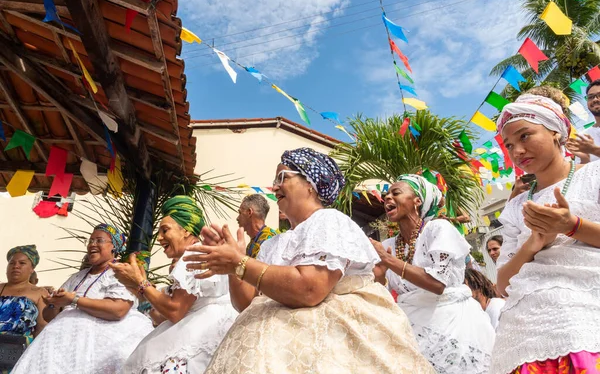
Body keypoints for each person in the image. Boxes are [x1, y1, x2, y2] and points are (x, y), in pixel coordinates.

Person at [184, 147, 435, 373]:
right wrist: (233, 266)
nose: (274, 187)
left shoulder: (329, 221)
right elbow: (246, 303)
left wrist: (240, 263)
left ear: (310, 185)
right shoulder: (274, 243)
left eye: (283, 177)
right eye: (274, 180)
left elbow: (310, 289)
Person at [491, 94, 600, 373]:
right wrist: (533, 243)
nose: (517, 151)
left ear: (555, 131)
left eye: (525, 136)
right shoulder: (516, 207)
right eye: (510, 145)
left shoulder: (594, 175)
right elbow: (502, 284)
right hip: (526, 329)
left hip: (587, 310)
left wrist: (571, 226)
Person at [372, 174, 495, 373]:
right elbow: (383, 297)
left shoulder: (438, 228)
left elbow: (437, 284)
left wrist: (389, 261)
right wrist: (379, 276)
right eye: (386, 195)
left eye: (396, 193)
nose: (387, 198)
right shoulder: (387, 245)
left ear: (417, 201)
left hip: (454, 330)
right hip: (411, 334)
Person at [111, 195, 238, 373]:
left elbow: (175, 311)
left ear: (185, 231)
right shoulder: (198, 255)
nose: (160, 238)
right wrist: (138, 288)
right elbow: (162, 315)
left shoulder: (191, 257)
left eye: (165, 230)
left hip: (201, 333)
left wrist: (141, 282)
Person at [11, 224, 153, 374]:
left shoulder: (121, 272)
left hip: (97, 350)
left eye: (99, 240)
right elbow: (48, 316)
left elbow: (118, 310)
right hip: (58, 349)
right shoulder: (78, 277)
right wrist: (53, 304)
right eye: (90, 241)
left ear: (114, 246)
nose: (92, 245)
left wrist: (73, 300)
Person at [0, 246, 48, 354]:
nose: (16, 266)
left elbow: (42, 327)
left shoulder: (40, 293)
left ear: (32, 269)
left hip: (20, 352)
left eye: (22, 263)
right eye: (12, 263)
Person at [566, 79, 600, 162]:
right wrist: (585, 158)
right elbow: (583, 169)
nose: (595, 99)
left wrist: (594, 150)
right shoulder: (583, 136)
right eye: (590, 97)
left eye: (599, 95)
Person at [236, 194, 278, 258]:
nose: (237, 218)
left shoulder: (269, 240)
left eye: (240, 213)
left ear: (249, 212)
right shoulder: (252, 243)